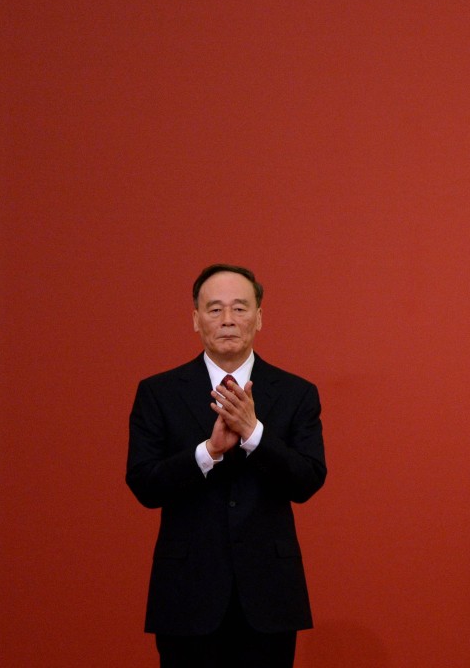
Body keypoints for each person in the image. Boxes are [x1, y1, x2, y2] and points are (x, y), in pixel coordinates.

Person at [126, 264, 326, 668]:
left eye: (240, 307)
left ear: (259, 316)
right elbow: (145, 484)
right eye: (215, 309)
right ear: (196, 320)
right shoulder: (159, 392)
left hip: (269, 597)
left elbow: (307, 480)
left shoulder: (296, 393)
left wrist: (254, 435)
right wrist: (209, 451)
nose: (229, 320)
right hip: (187, 596)